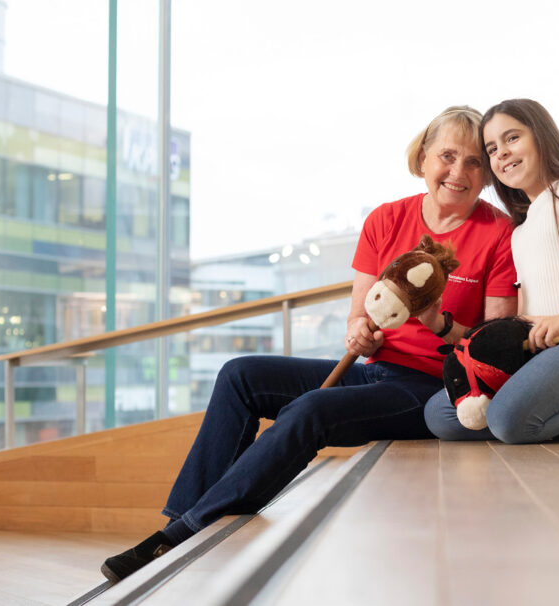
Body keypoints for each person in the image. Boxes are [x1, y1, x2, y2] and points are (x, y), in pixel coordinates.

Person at [100, 106, 518, 583]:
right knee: (240, 375)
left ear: (485, 177)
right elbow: (360, 314)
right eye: (447, 156)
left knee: (312, 410)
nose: (458, 172)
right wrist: (358, 331)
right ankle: (180, 524)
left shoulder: (498, 233)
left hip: (430, 386)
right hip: (374, 369)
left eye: (473, 163)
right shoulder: (386, 219)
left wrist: (438, 321)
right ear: (423, 158)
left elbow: (491, 345)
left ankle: (179, 537)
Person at [424, 98, 559, 444]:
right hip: (550, 347)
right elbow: (529, 311)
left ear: (541, 136)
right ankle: (552, 417)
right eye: (492, 149)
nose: (502, 154)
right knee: (443, 414)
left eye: (512, 138)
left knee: (507, 421)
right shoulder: (520, 231)